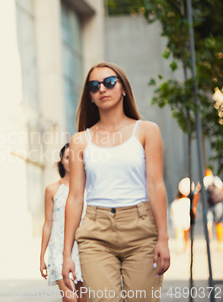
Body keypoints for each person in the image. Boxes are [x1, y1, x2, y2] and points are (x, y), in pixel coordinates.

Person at [62, 62, 170, 302]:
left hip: (141, 230)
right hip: (95, 233)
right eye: (94, 86)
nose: (102, 88)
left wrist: (163, 238)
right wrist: (66, 253)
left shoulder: (146, 131)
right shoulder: (80, 141)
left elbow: (155, 186)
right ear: (89, 96)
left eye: (109, 82)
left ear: (123, 88)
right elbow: (75, 197)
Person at [40, 143, 86, 302]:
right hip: (58, 251)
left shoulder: (88, 189)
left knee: (83, 300)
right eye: (68, 157)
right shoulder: (52, 190)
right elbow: (47, 224)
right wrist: (41, 257)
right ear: (61, 161)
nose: (71, 161)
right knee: (70, 299)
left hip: (84, 250)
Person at [204, 172, 223, 251]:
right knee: (218, 223)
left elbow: (198, 193)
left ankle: (209, 243)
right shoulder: (216, 179)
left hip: (209, 204)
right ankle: (220, 243)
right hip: (218, 203)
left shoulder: (205, 180)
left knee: (209, 224)